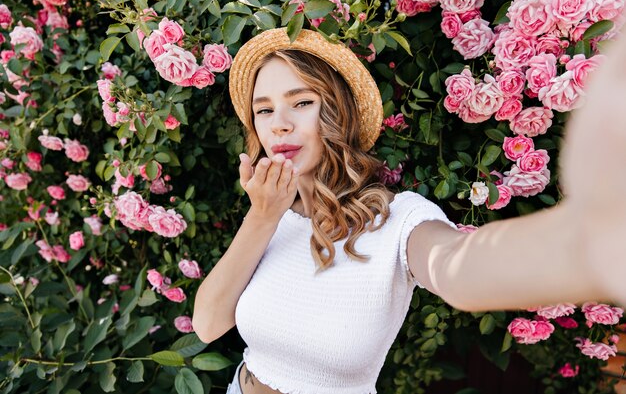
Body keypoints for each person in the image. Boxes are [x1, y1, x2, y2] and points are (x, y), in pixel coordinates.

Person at [192, 27, 626, 394]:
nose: (278, 123)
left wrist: (591, 243)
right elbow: (208, 324)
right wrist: (262, 217)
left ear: (337, 112)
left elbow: (459, 268)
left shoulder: (398, 220)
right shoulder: (272, 216)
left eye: (301, 102)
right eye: (264, 109)